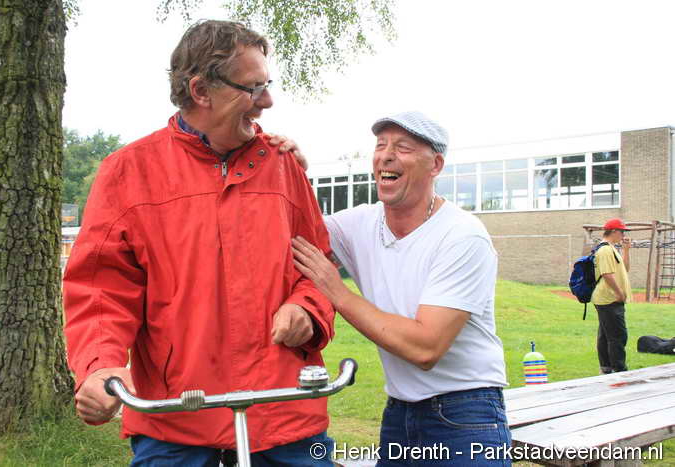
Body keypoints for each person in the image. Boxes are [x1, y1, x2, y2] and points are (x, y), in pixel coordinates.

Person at [63, 20, 336, 466]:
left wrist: (306, 308)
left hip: (283, 415)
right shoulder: (127, 172)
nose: (267, 101)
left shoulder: (284, 166)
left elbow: (319, 267)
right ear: (201, 90)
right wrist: (100, 366)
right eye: (254, 88)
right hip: (174, 422)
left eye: (267, 86)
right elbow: (99, 290)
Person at [292, 111, 511, 466]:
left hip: (464, 414)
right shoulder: (359, 224)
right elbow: (293, 234)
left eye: (403, 148)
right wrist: (290, 172)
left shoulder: (462, 235)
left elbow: (426, 347)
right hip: (399, 412)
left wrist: (339, 294)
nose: (386, 156)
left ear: (435, 165)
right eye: (381, 146)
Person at [592, 218, 632, 373]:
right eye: (622, 232)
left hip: (609, 298)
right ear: (614, 231)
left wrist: (626, 250)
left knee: (606, 334)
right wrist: (619, 293)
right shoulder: (605, 250)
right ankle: (619, 369)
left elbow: (625, 269)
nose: (623, 235)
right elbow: (607, 274)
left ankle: (606, 368)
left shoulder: (611, 248)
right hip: (609, 298)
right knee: (618, 335)